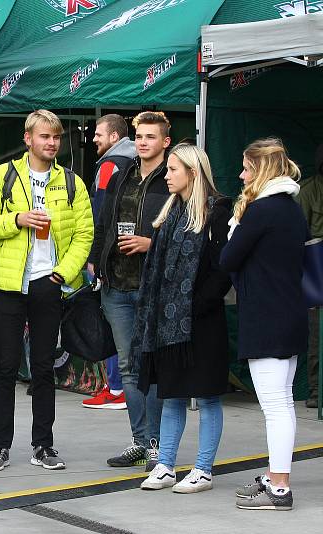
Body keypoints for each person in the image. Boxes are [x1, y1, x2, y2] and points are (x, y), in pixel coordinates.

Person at [0, 110, 93, 472]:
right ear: (28, 138)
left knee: (43, 368)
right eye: (45, 136)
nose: (52, 143)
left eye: (56, 137)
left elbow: (84, 234)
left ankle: (43, 445)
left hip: (49, 282)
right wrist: (16, 220)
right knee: (6, 368)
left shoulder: (72, 182)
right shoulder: (4, 175)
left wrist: (63, 273)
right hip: (10, 283)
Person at [133, 144, 232, 493]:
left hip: (202, 321)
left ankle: (203, 469)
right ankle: (166, 465)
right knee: (171, 394)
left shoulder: (218, 211)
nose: (168, 174)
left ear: (192, 172)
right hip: (169, 323)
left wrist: (196, 304)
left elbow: (223, 269)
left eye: (173, 169)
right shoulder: (170, 213)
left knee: (206, 397)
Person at [221, 138, 307, 511]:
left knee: (275, 406)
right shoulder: (291, 208)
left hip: (266, 317)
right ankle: (276, 477)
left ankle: (280, 488)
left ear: (261, 171)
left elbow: (228, 257)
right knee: (282, 403)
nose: (241, 175)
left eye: (246, 168)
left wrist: (237, 222)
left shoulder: (261, 211)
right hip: (290, 314)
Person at [88, 111, 172, 471]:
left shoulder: (174, 177)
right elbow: (104, 220)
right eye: (139, 136)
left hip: (153, 286)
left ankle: (156, 444)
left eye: (151, 137)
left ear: (165, 142)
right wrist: (95, 259)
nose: (143, 142)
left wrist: (150, 243)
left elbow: (188, 229)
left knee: (151, 365)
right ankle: (140, 442)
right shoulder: (122, 172)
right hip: (117, 283)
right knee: (129, 366)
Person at [83, 114, 136, 410]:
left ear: (115, 137)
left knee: (109, 323)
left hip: (107, 255)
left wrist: (93, 256)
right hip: (129, 255)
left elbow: (99, 212)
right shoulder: (137, 160)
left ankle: (115, 387)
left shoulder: (110, 164)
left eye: (99, 134)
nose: (93, 139)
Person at [295, 142, 323, 409]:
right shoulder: (308, 191)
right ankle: (316, 390)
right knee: (317, 334)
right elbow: (300, 237)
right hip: (317, 271)